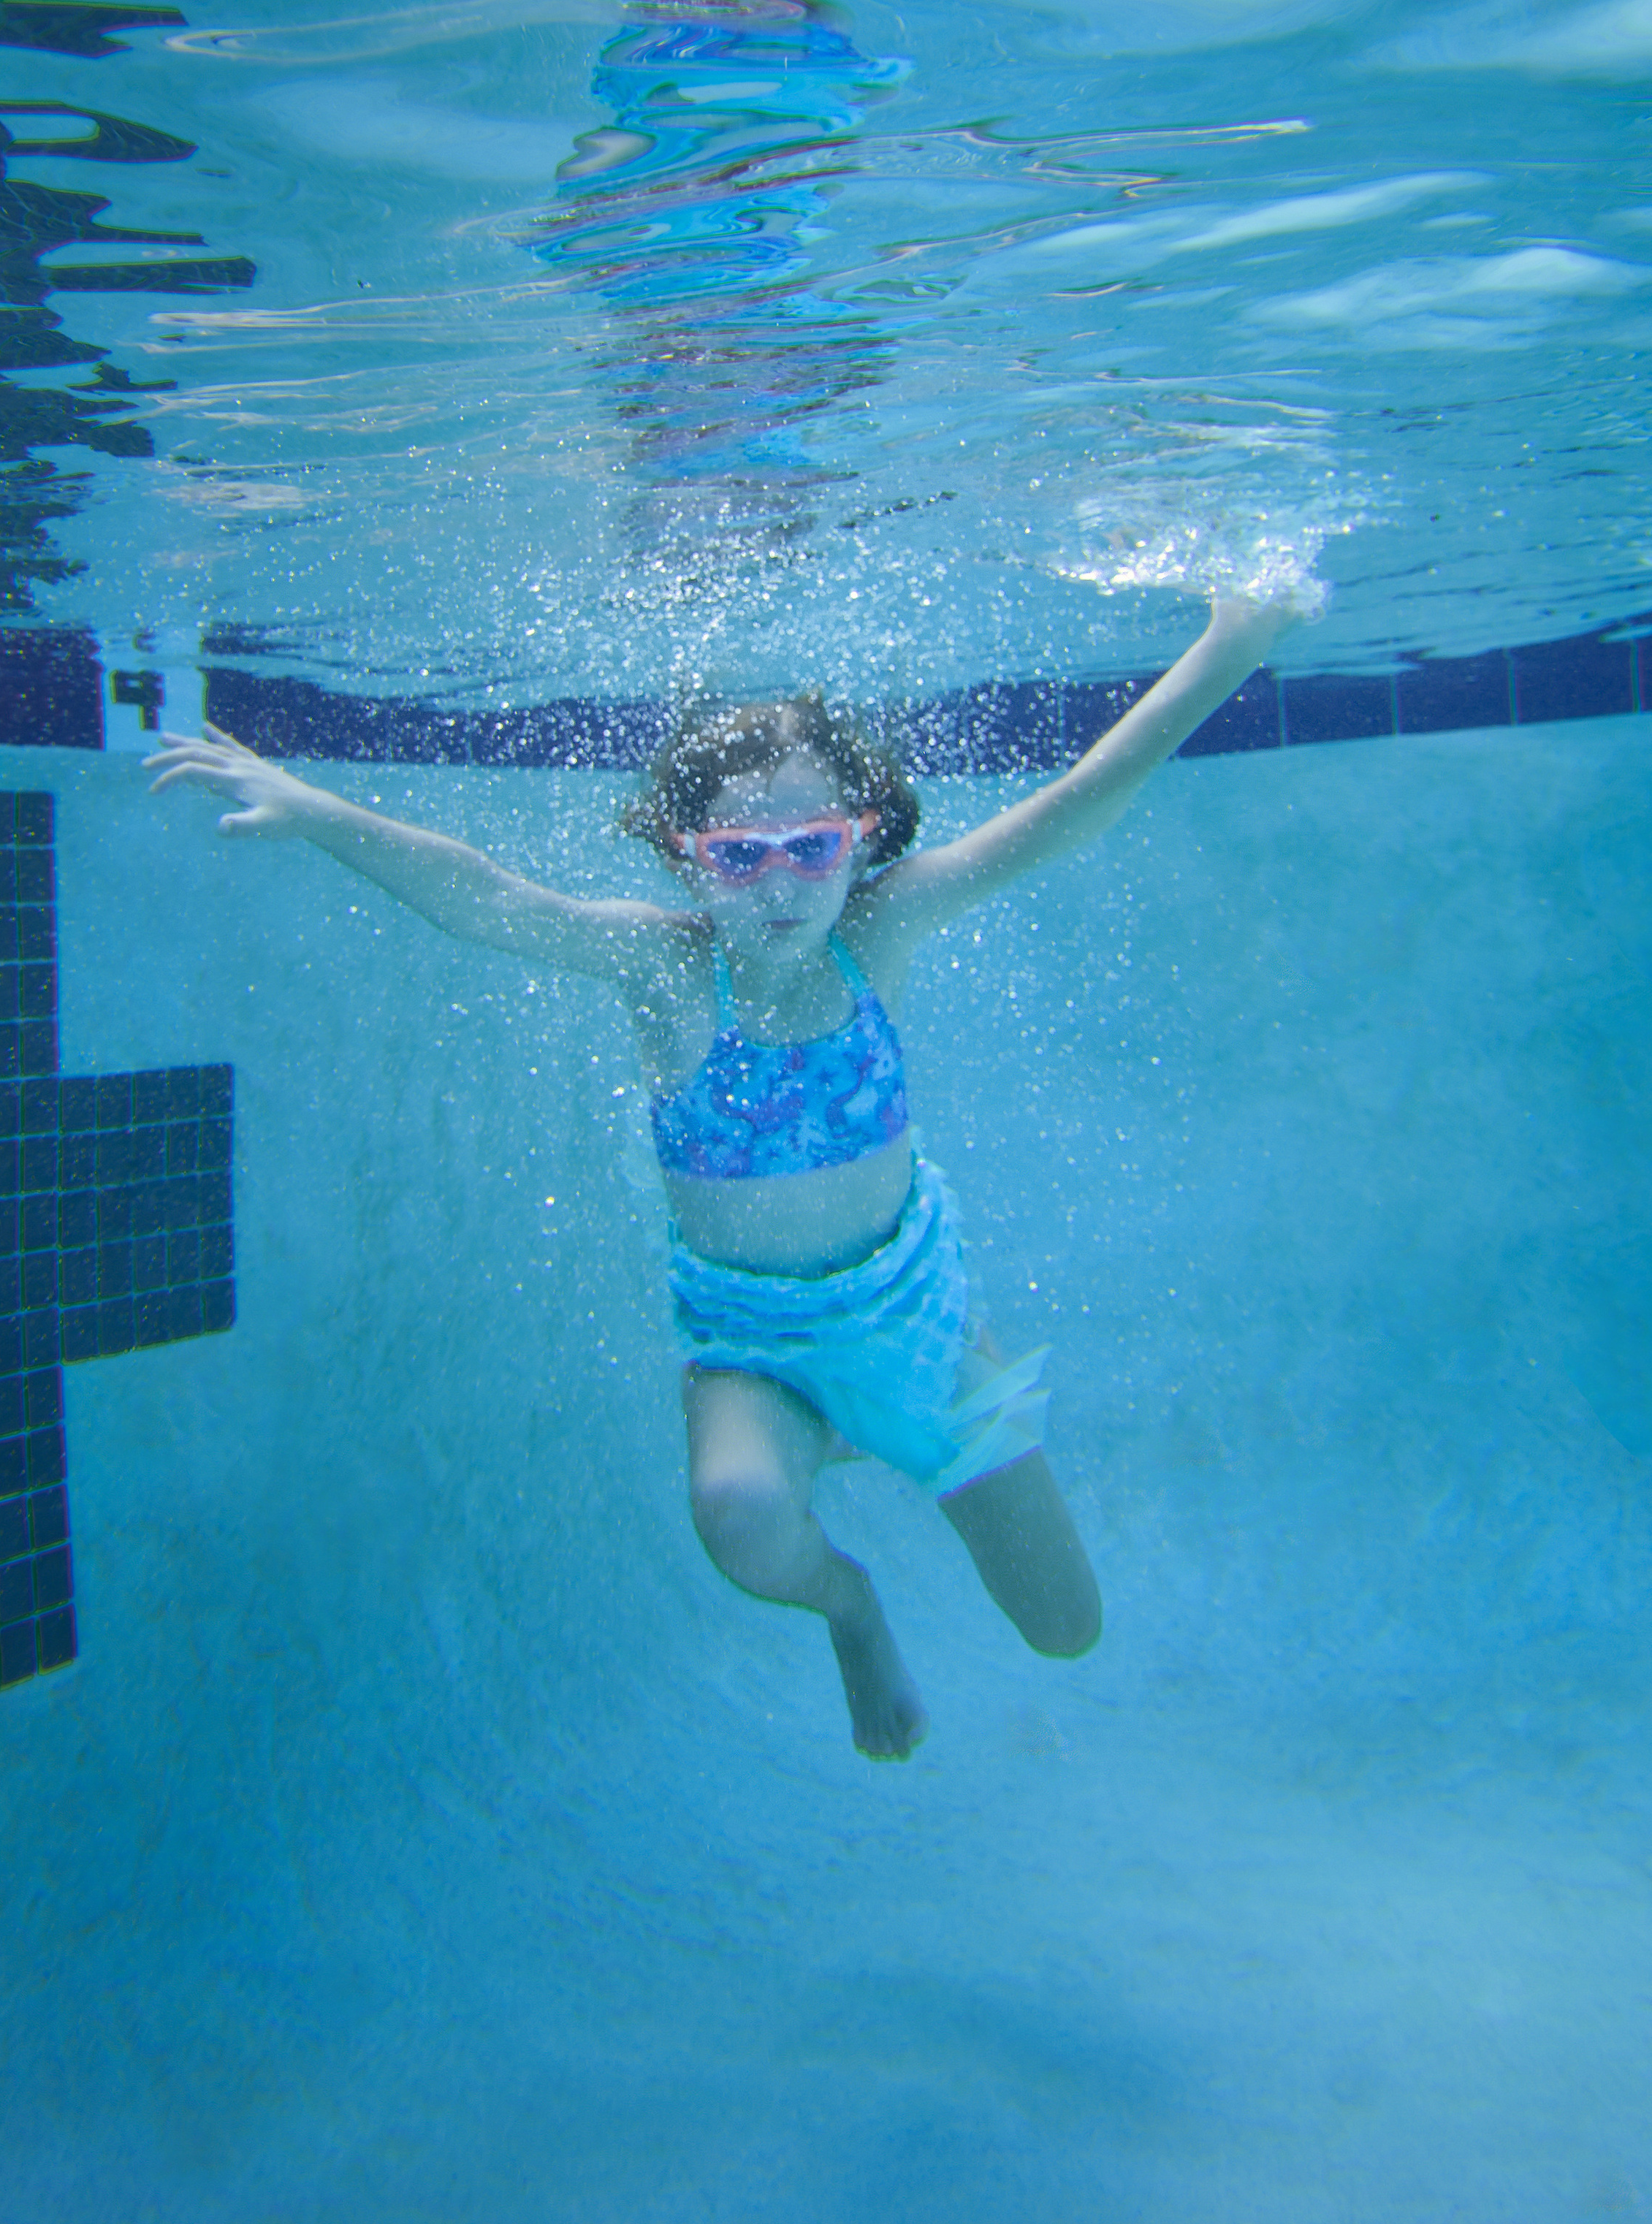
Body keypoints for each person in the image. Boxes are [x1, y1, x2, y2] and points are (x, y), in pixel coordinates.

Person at [148, 594, 1290, 1760]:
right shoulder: (666, 972)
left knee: (1067, 1628)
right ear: (686, 858)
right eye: (739, 858)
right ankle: (850, 1607)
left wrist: (1224, 650)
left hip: (916, 1320)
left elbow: (1067, 811)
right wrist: (318, 810)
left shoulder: (882, 935)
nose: (782, 886)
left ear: (864, 835)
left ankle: (871, 1432)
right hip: (754, 1347)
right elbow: (488, 895)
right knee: (738, 1511)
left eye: (813, 849)